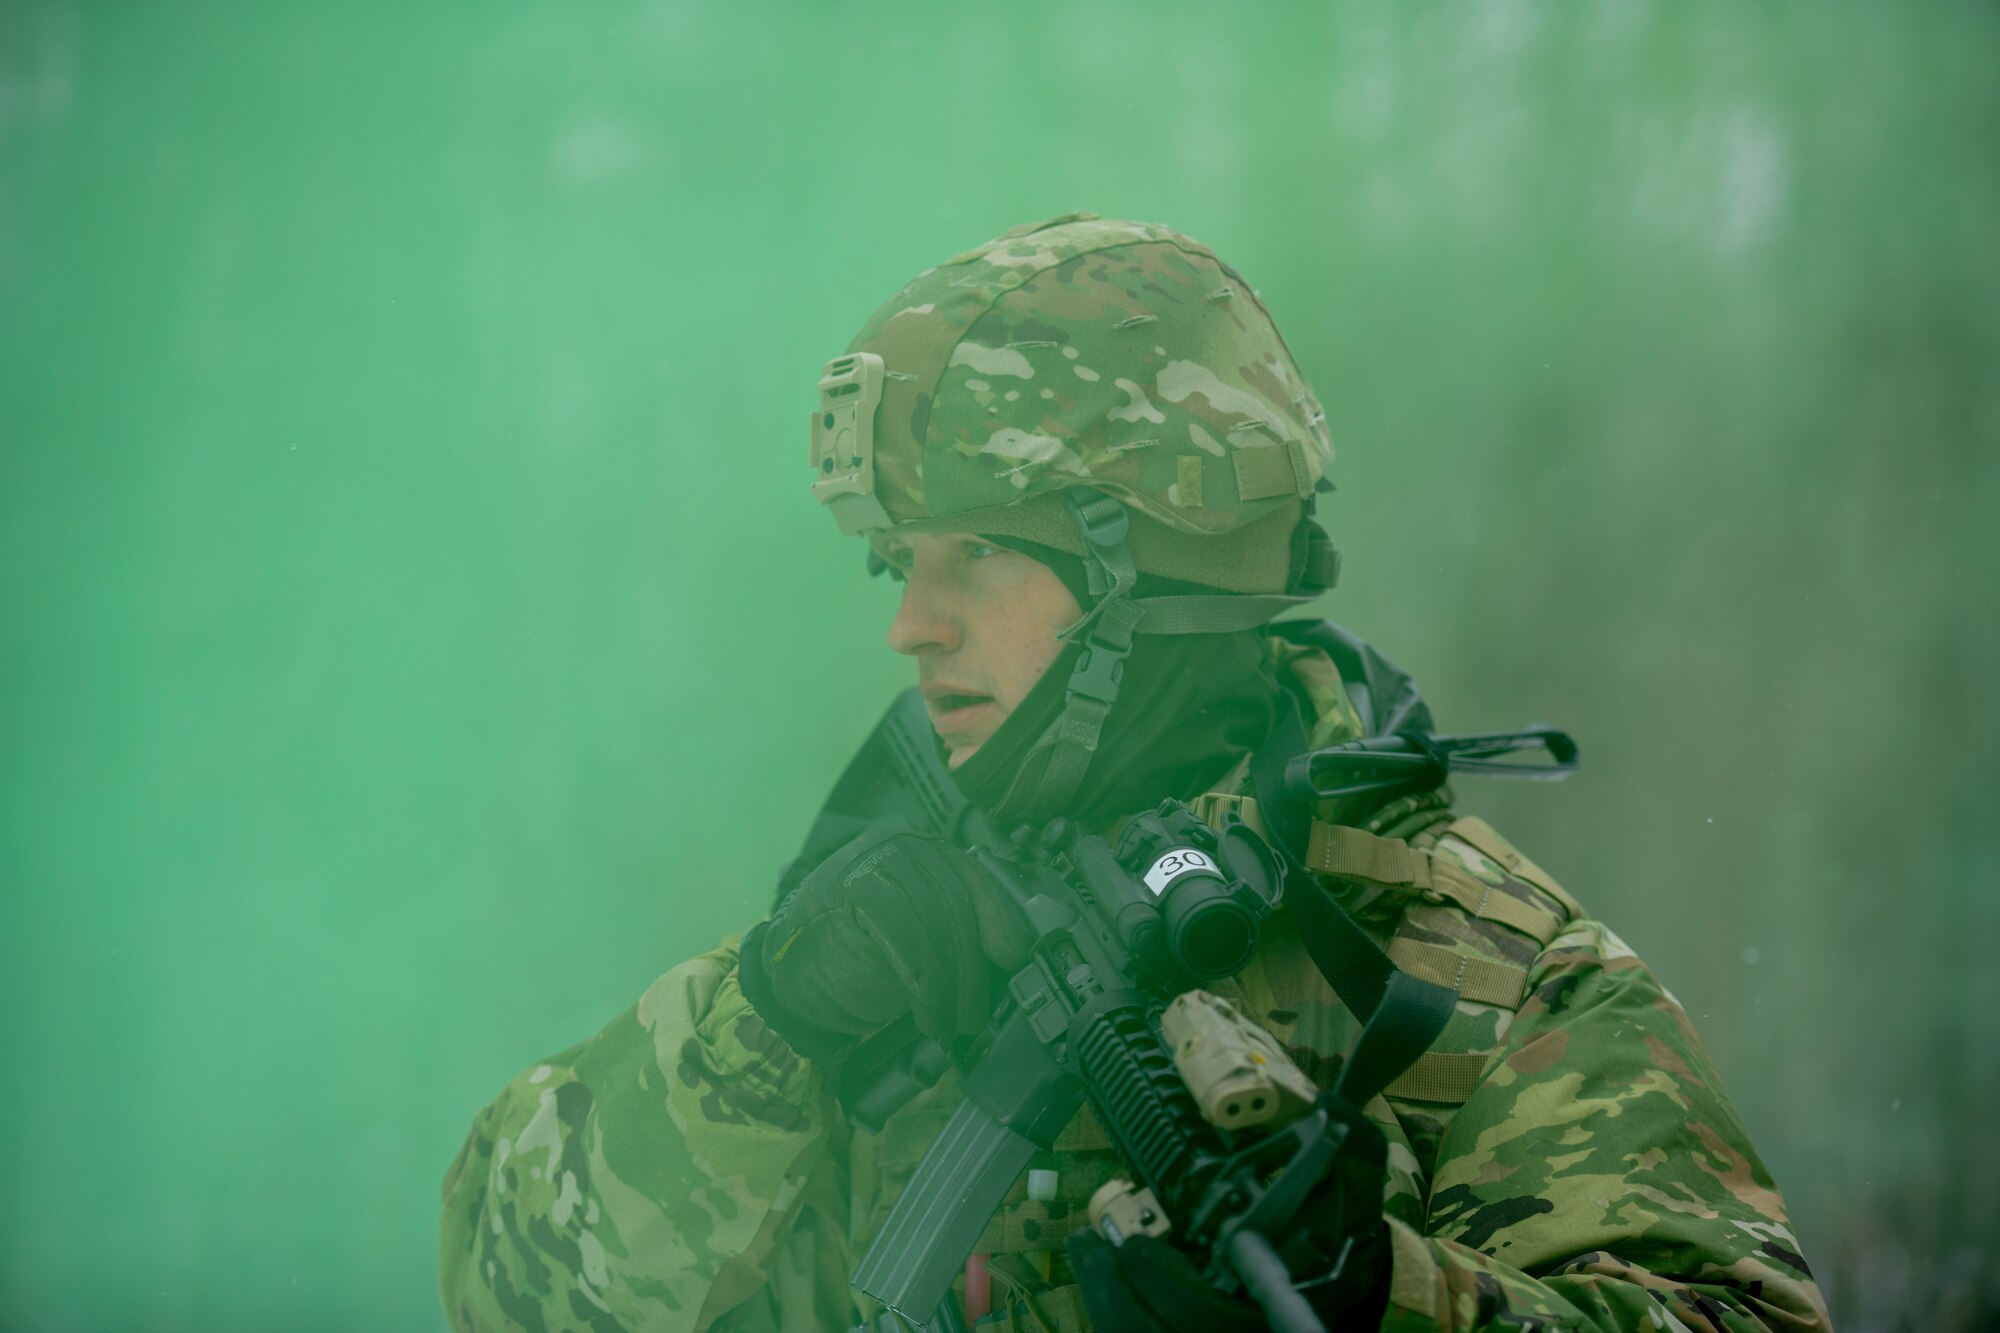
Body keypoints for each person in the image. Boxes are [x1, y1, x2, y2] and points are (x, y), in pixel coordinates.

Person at [439, 215, 1829, 1332]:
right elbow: (501, 1288)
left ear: (1151, 567)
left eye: (973, 551)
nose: (907, 625)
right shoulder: (884, 923)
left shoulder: (1473, 970)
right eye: (895, 561)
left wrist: (1388, 1294)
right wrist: (766, 1021)